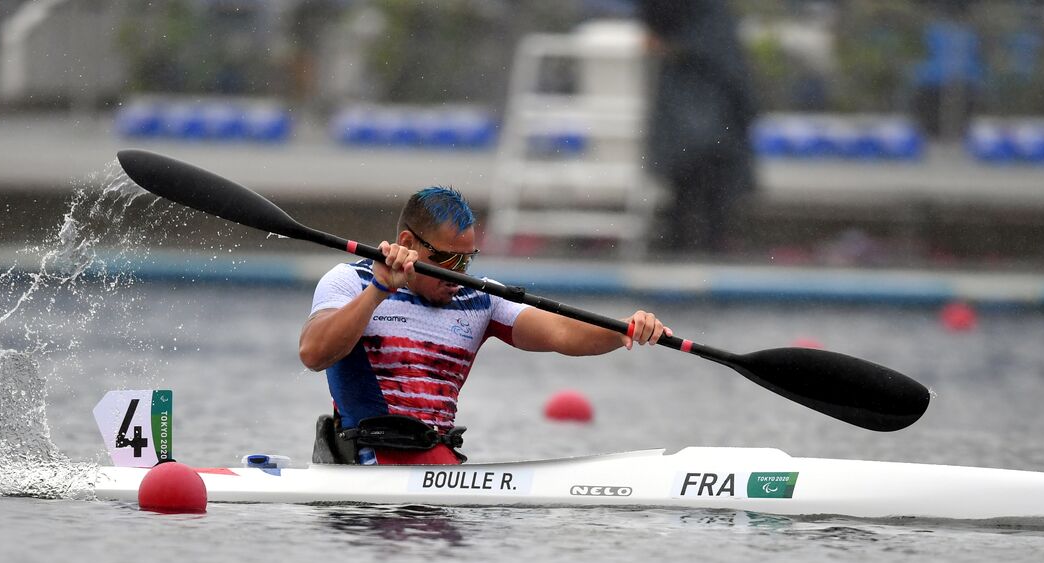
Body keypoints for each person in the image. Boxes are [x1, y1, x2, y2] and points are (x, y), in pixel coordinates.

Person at [300, 186, 670, 466]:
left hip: (436, 464)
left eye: (467, 260)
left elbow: (560, 332)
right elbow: (313, 354)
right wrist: (379, 291)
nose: (458, 275)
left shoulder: (480, 299)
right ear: (408, 243)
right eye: (446, 259)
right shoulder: (349, 282)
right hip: (367, 468)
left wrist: (624, 328)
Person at [636, 0, 757, 255]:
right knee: (692, 181)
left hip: (705, 84)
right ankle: (693, 244)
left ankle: (698, 244)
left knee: (701, 172)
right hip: (702, 80)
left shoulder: (705, 38)